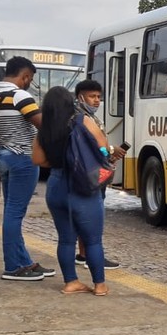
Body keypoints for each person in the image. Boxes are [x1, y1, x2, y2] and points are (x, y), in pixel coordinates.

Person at [0, 56, 53, 282]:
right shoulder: (20, 95)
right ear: (25, 76)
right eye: (30, 79)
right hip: (23, 158)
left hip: (4, 158)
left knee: (12, 210)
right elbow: (42, 125)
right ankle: (12, 267)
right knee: (14, 213)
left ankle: (24, 262)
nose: (29, 82)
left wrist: (5, 133)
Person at [32, 86, 110, 295]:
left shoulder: (44, 128)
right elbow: (103, 147)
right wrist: (102, 154)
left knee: (66, 238)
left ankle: (71, 282)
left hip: (56, 187)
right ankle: (100, 285)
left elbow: (37, 160)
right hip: (82, 186)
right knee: (92, 239)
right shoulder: (83, 120)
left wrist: (60, 162)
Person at [74, 79, 126, 269]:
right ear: (80, 97)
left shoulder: (89, 116)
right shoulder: (81, 118)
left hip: (93, 171)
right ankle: (92, 256)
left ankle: (83, 253)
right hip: (90, 174)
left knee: (85, 215)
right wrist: (111, 150)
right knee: (92, 216)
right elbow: (93, 146)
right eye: (92, 96)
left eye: (99, 97)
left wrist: (109, 154)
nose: (96, 101)